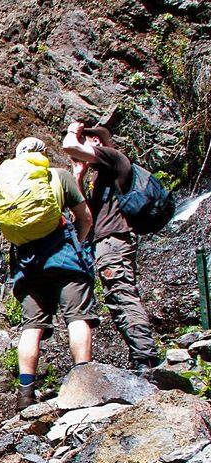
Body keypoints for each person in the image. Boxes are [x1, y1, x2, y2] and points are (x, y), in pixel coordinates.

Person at [3, 137, 99, 411]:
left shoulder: (10, 186)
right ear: (43, 154)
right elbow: (86, 217)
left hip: (29, 266)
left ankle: (25, 394)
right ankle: (84, 383)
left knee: (32, 326)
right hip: (65, 259)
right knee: (78, 318)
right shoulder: (60, 177)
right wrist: (78, 243)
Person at [61, 122, 161, 369]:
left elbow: (68, 145)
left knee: (121, 293)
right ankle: (140, 354)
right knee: (116, 295)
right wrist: (79, 175)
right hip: (106, 241)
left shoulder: (113, 157)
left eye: (87, 139)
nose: (82, 143)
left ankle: (144, 357)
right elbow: (83, 214)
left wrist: (74, 130)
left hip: (115, 239)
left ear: (96, 141)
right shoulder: (101, 175)